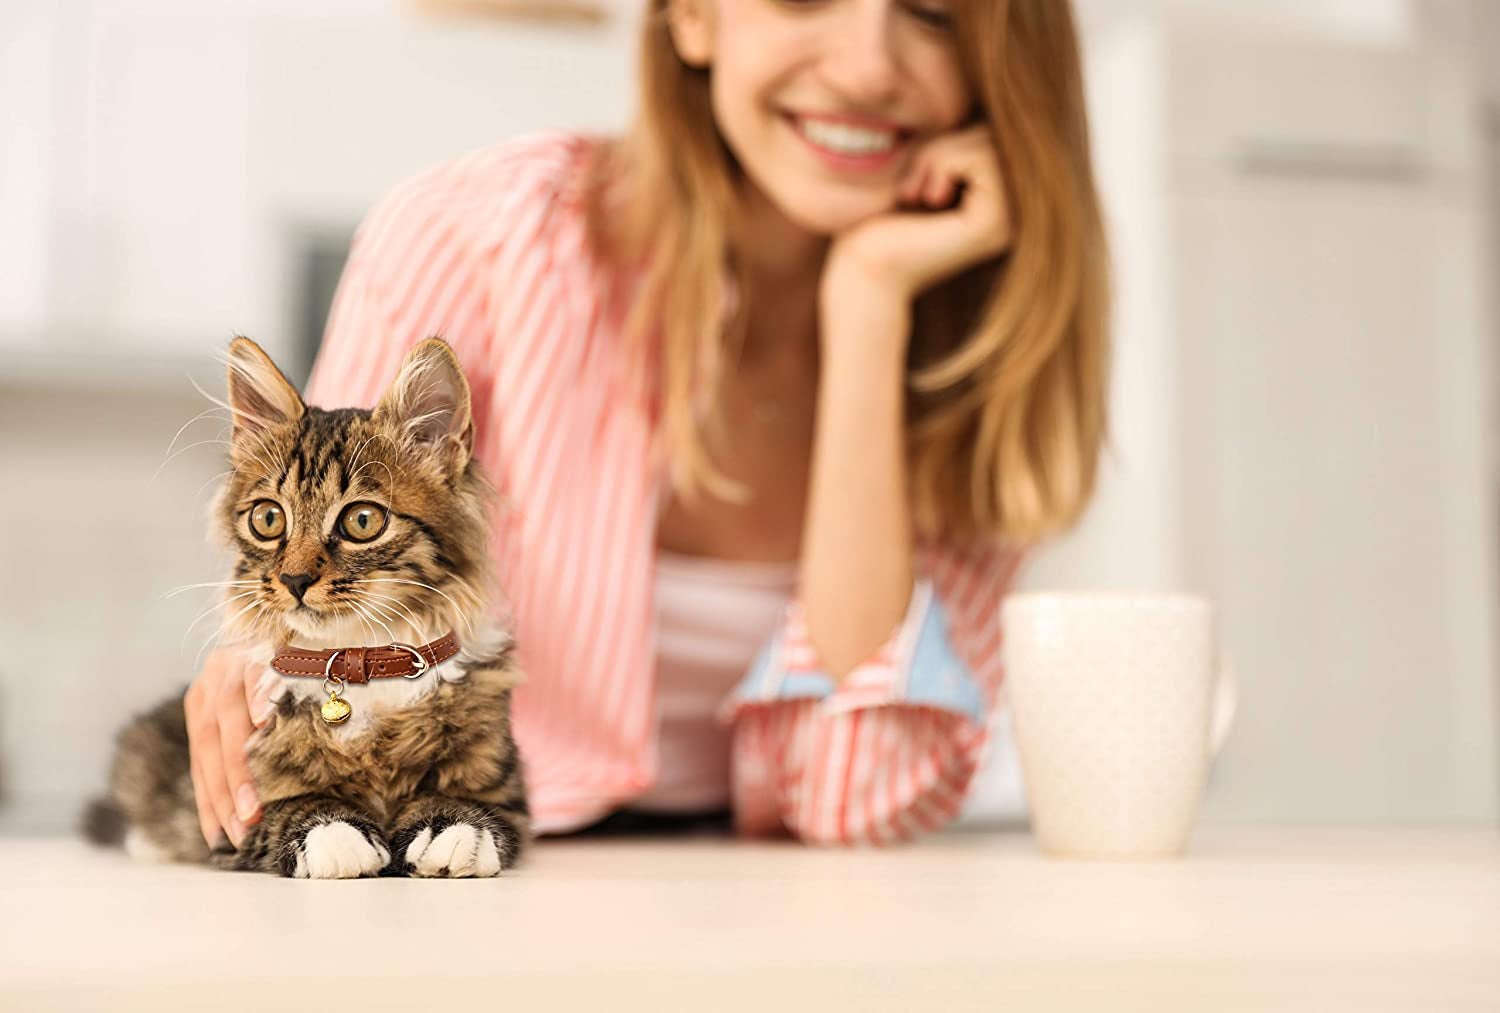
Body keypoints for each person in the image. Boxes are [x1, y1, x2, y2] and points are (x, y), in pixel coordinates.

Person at [184, 0, 1108, 848]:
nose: (869, 65)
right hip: (470, 874)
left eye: (937, 12)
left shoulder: (981, 347)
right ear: (697, 16)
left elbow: (854, 798)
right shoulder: (474, 238)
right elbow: (321, 665)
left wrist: (869, 308)